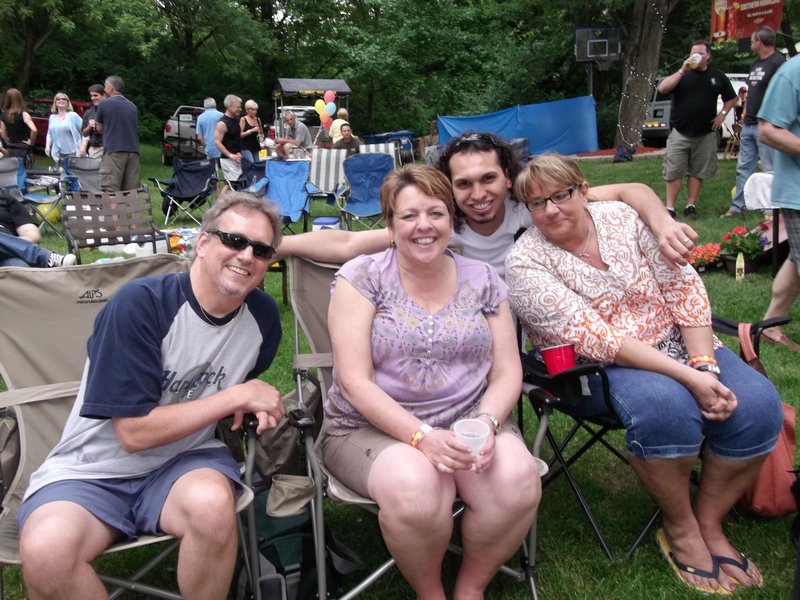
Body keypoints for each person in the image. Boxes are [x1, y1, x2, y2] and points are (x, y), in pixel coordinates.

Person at [505, 153, 783, 595]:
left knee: (759, 405)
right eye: (537, 203)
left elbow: (682, 286)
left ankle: (709, 522)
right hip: (599, 367)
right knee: (666, 408)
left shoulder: (622, 218)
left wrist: (704, 364)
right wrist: (691, 379)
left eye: (560, 195)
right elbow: (598, 338)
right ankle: (681, 528)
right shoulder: (525, 262)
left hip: (678, 339)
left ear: (583, 190)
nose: (551, 210)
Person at [17, 192, 286, 599]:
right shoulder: (141, 305)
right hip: (92, 470)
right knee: (46, 550)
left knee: (212, 507)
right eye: (234, 241)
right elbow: (133, 433)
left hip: (185, 461)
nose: (247, 256)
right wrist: (236, 397)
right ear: (203, 243)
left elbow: (236, 389)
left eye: (261, 250)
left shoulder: (263, 320)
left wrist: (247, 403)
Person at [320, 164, 540, 600]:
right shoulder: (362, 278)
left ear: (451, 220)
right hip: (367, 427)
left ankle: (471, 587)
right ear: (390, 225)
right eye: (409, 215)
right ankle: (430, 592)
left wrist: (487, 424)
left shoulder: (483, 280)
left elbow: (507, 371)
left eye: (436, 213)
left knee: (517, 480)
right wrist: (421, 437)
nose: (424, 225)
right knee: (417, 488)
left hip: (467, 421)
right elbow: (354, 381)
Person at [658, 40, 737, 219]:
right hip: (680, 132)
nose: (696, 56)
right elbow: (662, 88)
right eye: (693, 53)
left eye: (700, 53)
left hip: (705, 134)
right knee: (673, 171)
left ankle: (691, 206)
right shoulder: (682, 75)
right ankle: (670, 208)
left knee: (697, 172)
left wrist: (723, 114)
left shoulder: (717, 76)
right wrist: (682, 70)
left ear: (708, 55)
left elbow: (731, 98)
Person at [757, 54, 800, 351]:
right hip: (797, 190)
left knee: (797, 259)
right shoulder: (792, 72)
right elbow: (768, 129)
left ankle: (770, 326)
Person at [723, 26, 784, 218]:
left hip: (767, 125)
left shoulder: (778, 62)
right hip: (749, 124)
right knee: (743, 168)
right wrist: (745, 111)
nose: (750, 44)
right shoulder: (756, 64)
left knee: (769, 169)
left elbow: (782, 93)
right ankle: (737, 206)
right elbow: (751, 91)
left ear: (760, 41)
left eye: (752, 40)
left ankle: (770, 210)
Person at [0, 193, 76, 267]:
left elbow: (33, 235)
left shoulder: (5, 199)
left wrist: (10, 245)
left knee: (19, 266)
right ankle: (44, 256)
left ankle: (43, 257)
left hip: (9, 253)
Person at [95, 75, 140, 191]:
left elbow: (99, 128)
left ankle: (112, 205)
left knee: (110, 189)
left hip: (114, 150)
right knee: (131, 191)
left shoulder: (104, 104)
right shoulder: (132, 106)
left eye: (105, 87)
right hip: (133, 152)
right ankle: (132, 205)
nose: (104, 90)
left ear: (110, 88)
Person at [0, 88, 37, 168]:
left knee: (12, 172)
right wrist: (31, 143)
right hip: (23, 149)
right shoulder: (24, 114)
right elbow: (34, 130)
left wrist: (8, 142)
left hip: (11, 149)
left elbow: (3, 133)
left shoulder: (3, 115)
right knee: (25, 172)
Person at [44, 93, 83, 165]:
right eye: (58, 99)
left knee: (72, 171)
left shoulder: (73, 116)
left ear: (68, 103)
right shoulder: (52, 117)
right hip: (58, 154)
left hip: (73, 153)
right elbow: (49, 134)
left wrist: (83, 147)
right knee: (59, 171)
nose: (61, 100)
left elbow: (84, 131)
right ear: (55, 102)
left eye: (64, 99)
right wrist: (47, 146)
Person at [214, 94, 244, 188]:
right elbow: (217, 142)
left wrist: (238, 153)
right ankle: (223, 198)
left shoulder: (236, 120)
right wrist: (230, 155)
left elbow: (235, 138)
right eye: (238, 107)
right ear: (229, 106)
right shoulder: (222, 123)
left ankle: (222, 198)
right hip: (228, 160)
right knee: (233, 186)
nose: (240, 109)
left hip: (237, 158)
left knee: (232, 185)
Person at [79, 84, 106, 158]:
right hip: (95, 149)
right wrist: (89, 126)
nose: (93, 98)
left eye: (95, 95)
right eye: (91, 96)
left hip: (109, 148)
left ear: (104, 95)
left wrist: (100, 126)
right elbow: (84, 134)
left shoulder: (111, 110)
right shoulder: (89, 112)